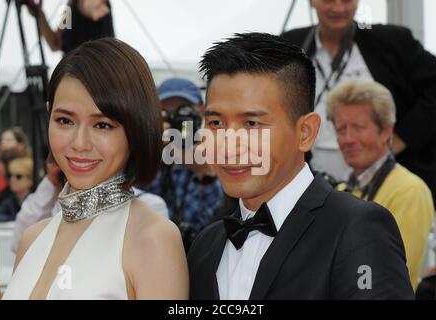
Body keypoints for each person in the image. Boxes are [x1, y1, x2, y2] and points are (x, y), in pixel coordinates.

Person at [187, 32, 414, 299]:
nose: (228, 144)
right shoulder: (205, 245)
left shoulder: (357, 229)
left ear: (305, 132)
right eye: (216, 123)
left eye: (251, 124)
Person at [2, 38, 188, 300]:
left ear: (135, 129)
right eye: (65, 120)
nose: (79, 143)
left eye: (102, 125)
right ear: (49, 115)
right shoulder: (32, 239)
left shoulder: (153, 239)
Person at [281, 0, 436, 199]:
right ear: (312, 2)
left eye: (347, 0)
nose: (338, 8)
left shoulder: (391, 41)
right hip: (312, 188)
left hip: (385, 188)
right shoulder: (290, 45)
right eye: (328, 0)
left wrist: (403, 137)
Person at [327, 79, 434, 290]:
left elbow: (387, 278)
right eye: (341, 129)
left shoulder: (409, 191)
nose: (348, 139)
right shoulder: (340, 192)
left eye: (358, 128)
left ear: (386, 131)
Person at [10, 154, 169, 253]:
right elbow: (18, 243)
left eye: (102, 126)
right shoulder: (58, 203)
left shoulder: (150, 205)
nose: (80, 147)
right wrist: (50, 182)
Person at [147, 77, 223, 252]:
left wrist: (206, 175)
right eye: (167, 113)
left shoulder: (219, 151)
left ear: (202, 110)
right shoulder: (149, 154)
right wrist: (150, 151)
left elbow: (219, 225)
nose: (178, 121)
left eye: (184, 111)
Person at [36, 0, 114, 54]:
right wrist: (40, 14)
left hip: (94, 72)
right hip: (72, 71)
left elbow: (91, 8)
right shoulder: (70, 5)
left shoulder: (97, 4)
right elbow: (55, 44)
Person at [0, 157, 34, 222]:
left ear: (30, 180)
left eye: (18, 176)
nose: (12, 179)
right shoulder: (11, 200)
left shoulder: (36, 200)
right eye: (10, 175)